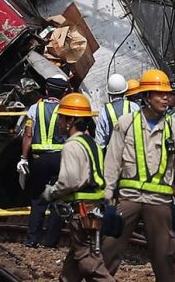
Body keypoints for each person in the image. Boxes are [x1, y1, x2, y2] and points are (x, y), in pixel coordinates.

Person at [102, 69, 175, 282]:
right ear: (146, 96)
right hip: (129, 198)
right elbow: (113, 159)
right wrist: (108, 193)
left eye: (167, 94)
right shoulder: (126, 124)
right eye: (159, 94)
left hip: (159, 202)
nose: (165, 98)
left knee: (164, 256)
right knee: (109, 250)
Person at [41, 93, 113, 282]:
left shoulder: (71, 145)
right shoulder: (92, 143)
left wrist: (51, 192)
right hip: (95, 207)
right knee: (74, 264)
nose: (59, 122)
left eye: (61, 117)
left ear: (70, 120)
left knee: (88, 262)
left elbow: (70, 181)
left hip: (82, 210)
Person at [16, 75, 70, 248]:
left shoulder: (34, 108)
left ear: (46, 91)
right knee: (58, 199)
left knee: (38, 200)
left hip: (39, 158)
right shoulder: (65, 109)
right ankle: (51, 241)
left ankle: (32, 239)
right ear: (64, 92)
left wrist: (24, 157)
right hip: (60, 157)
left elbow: (28, 134)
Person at [94, 74, 139, 148]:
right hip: (133, 153)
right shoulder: (134, 107)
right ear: (125, 90)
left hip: (114, 155)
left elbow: (100, 143)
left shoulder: (104, 112)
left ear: (109, 93)